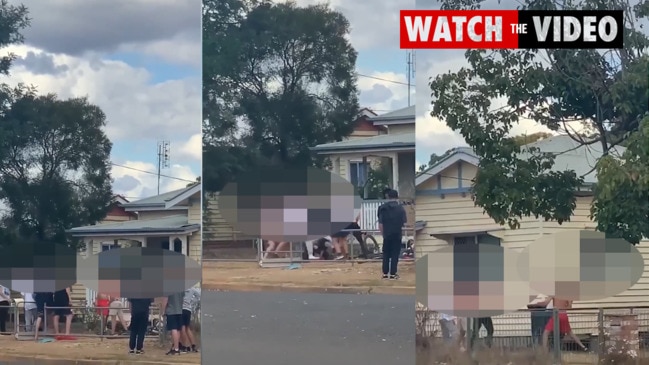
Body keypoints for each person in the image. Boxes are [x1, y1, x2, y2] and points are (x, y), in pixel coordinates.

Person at [377, 189, 407, 279]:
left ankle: (385, 273)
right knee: (395, 254)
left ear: (388, 196)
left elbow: (380, 223)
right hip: (397, 234)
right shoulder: (401, 209)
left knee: (386, 253)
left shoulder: (382, 208)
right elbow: (404, 223)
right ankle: (393, 273)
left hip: (387, 234)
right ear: (397, 197)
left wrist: (383, 234)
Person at [180, 286, 201, 353]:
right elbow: (198, 295)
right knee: (187, 328)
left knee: (182, 328)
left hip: (181, 308)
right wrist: (192, 302)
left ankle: (185, 346)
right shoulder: (191, 288)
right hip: (188, 309)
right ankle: (193, 345)